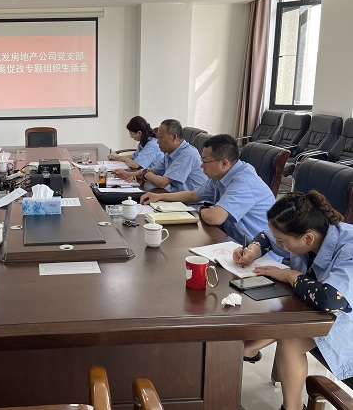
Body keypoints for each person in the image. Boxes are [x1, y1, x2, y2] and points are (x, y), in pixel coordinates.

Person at [232, 191, 353, 410]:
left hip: (346, 320)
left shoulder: (349, 248)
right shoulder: (310, 232)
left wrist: (291, 275)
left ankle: (291, 406)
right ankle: (249, 347)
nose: (279, 244)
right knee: (283, 306)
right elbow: (266, 237)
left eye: (282, 241)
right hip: (326, 314)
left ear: (307, 239)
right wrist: (251, 252)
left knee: (290, 337)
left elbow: (331, 300)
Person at [141, 134, 274, 245]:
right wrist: (159, 196)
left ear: (224, 163)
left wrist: (202, 210)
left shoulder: (243, 183)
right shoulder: (220, 176)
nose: (201, 166)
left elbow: (213, 218)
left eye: (205, 161)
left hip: (257, 253)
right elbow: (193, 195)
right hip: (231, 241)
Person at [117, 119, 206, 192]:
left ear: (174, 137)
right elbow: (153, 171)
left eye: (161, 137)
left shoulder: (187, 154)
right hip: (177, 196)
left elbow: (162, 183)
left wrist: (144, 172)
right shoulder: (170, 152)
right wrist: (129, 174)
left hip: (193, 205)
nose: (158, 141)